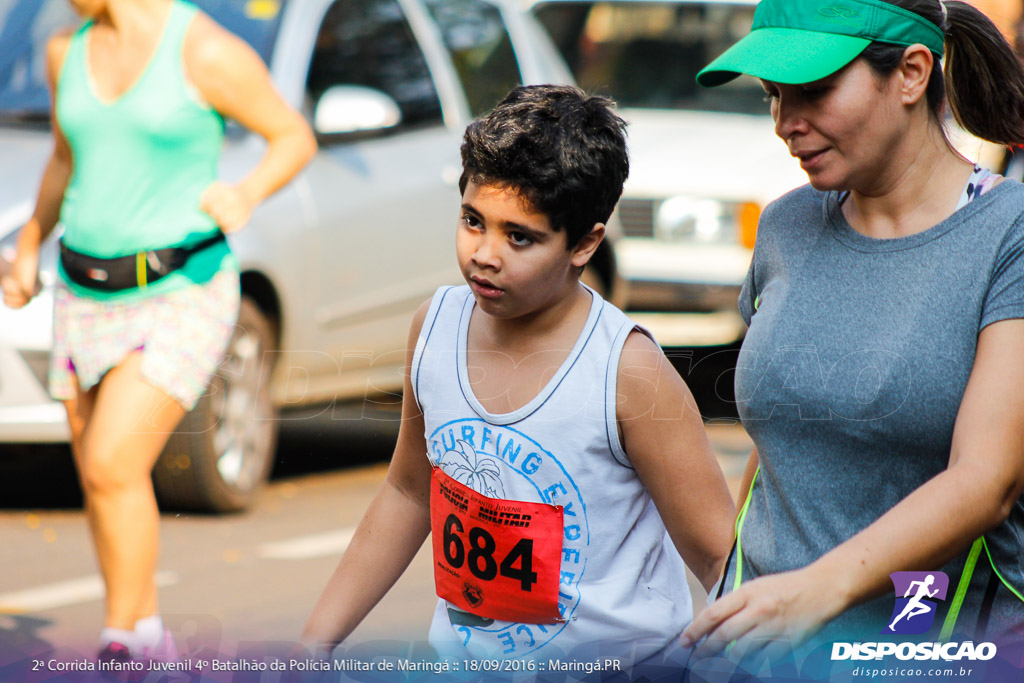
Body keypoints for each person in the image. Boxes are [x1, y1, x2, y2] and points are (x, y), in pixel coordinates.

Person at [302, 84, 735, 673]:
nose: (485, 253)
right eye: (473, 221)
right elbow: (409, 491)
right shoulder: (435, 328)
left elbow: (718, 560)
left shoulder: (627, 372)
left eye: (520, 237)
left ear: (584, 242)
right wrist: (316, 640)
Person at [681, 0, 1024, 663]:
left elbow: (988, 479)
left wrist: (815, 591)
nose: (786, 123)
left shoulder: (1008, 233)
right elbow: (779, 439)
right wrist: (737, 586)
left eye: (812, 91)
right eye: (772, 96)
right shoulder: (783, 227)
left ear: (912, 74)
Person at [0, 0, 315, 662]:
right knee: (99, 474)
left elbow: (292, 135)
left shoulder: (205, 51)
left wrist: (246, 192)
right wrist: (31, 241)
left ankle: (128, 640)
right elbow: (63, 157)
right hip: (82, 289)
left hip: (183, 287)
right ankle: (146, 637)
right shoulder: (67, 51)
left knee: (115, 459)